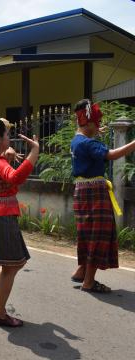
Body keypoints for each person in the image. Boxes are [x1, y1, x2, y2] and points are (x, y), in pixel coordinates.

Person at [0, 115, 39, 327]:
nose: (9, 136)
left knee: (10, 263)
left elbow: (0, 175)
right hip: (1, 214)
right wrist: (34, 153)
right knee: (12, 265)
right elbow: (14, 178)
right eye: (7, 134)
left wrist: (7, 158)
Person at [70, 99, 135, 293]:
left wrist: (95, 132)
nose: (99, 127)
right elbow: (112, 154)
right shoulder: (89, 144)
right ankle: (88, 282)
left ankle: (81, 271)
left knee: (87, 233)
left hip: (82, 192)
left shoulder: (77, 140)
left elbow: (88, 140)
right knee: (98, 235)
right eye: (97, 124)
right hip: (95, 193)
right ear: (88, 123)